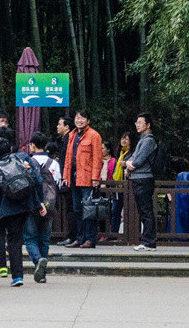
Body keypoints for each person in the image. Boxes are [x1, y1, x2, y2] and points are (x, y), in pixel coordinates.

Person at [0, 136, 41, 286]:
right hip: (22, 207)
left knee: (1, 235)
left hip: (4, 209)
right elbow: (35, 181)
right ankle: (17, 276)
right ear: (11, 149)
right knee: (15, 240)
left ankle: (3, 267)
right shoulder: (21, 163)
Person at [61, 111, 105, 249]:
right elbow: (68, 158)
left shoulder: (94, 135)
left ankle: (90, 239)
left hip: (87, 177)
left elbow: (98, 158)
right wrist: (65, 176)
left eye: (83, 118)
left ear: (88, 120)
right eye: (77, 118)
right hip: (74, 177)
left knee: (89, 209)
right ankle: (79, 239)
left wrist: (95, 178)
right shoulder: (72, 135)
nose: (79, 120)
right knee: (77, 209)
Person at [23, 134, 61, 282]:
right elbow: (58, 183)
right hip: (49, 205)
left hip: (31, 204)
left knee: (30, 237)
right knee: (44, 239)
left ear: (32, 145)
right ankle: (42, 274)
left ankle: (38, 260)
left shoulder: (27, 161)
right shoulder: (54, 163)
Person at [127, 115, 162, 251]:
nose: (137, 125)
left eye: (140, 122)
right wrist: (130, 163)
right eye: (136, 122)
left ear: (148, 125)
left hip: (143, 178)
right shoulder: (142, 140)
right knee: (143, 211)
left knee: (146, 210)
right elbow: (132, 159)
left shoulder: (148, 140)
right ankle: (147, 240)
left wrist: (130, 164)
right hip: (139, 177)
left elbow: (137, 161)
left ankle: (149, 241)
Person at [106, 132, 131, 239]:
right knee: (115, 210)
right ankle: (114, 234)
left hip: (128, 186)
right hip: (118, 186)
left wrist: (126, 164)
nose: (124, 141)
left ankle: (129, 235)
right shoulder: (119, 153)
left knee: (130, 211)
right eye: (122, 139)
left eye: (126, 139)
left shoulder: (132, 153)